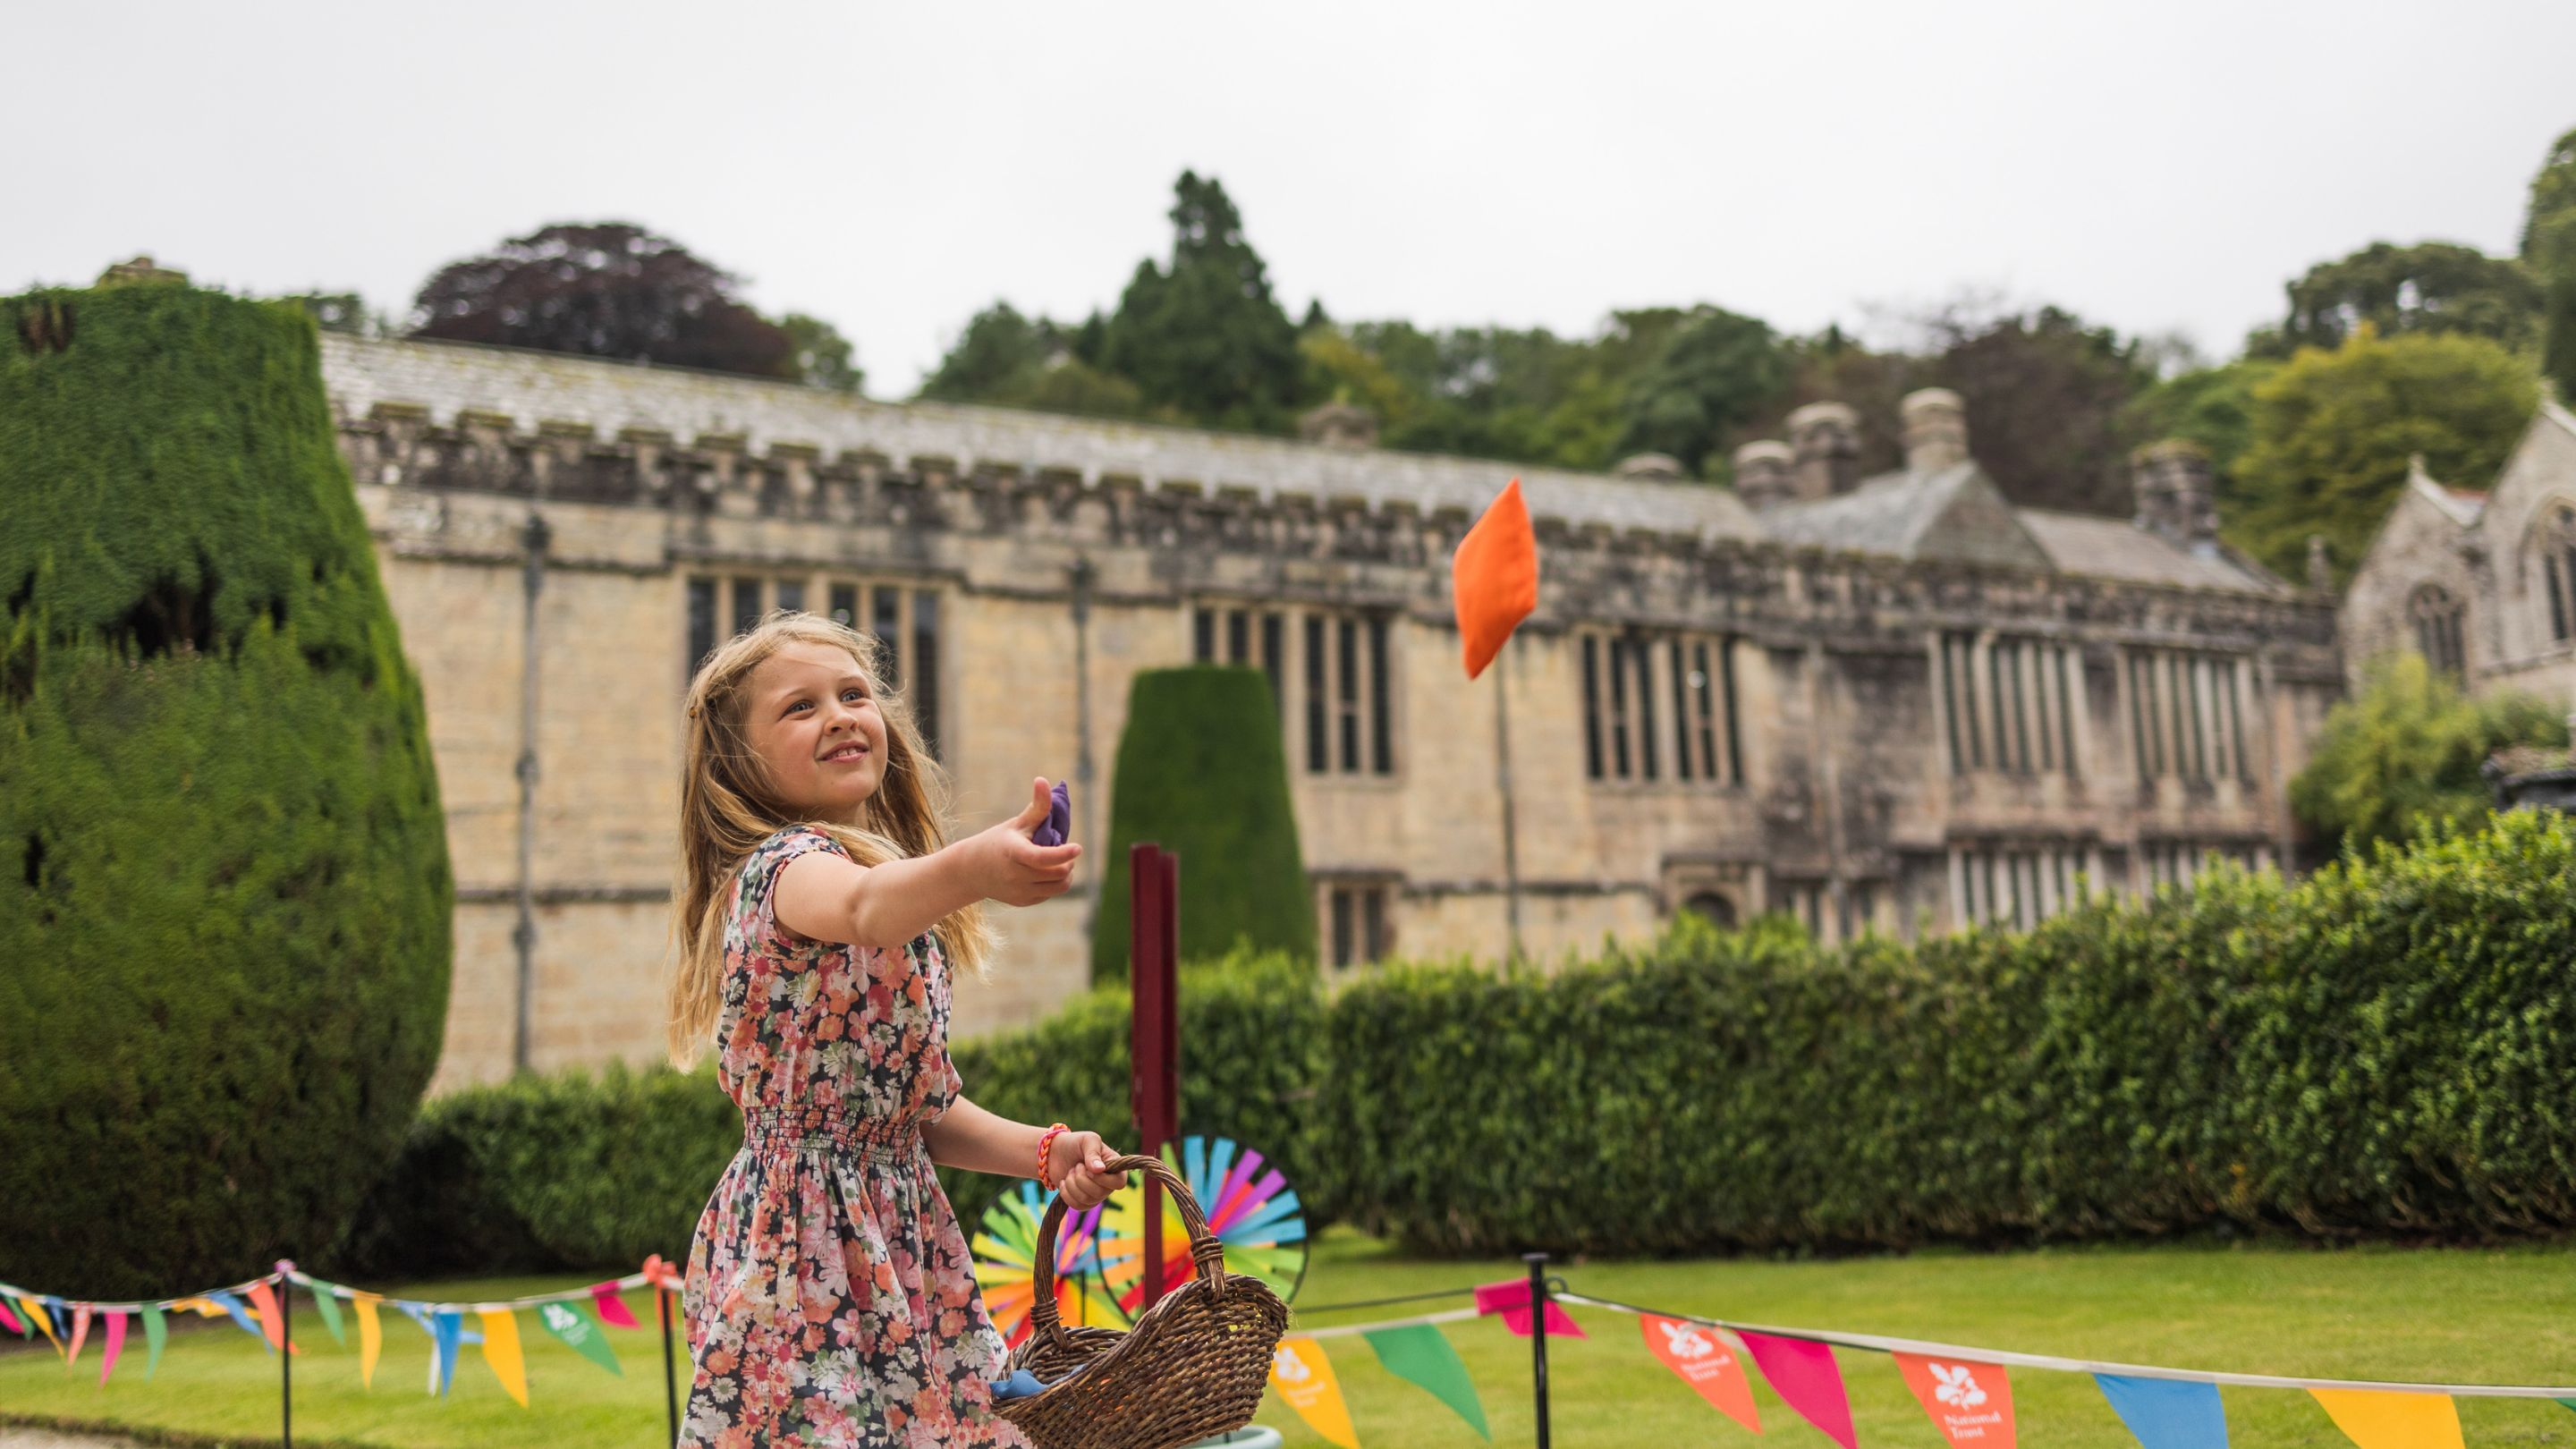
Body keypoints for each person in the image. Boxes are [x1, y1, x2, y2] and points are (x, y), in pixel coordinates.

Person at [664, 612, 1120, 1446]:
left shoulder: (884, 890)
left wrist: (1043, 1153)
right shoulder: (785, 871)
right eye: (798, 708)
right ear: (742, 763)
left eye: (853, 694)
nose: (839, 714)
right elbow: (865, 909)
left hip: (906, 1250)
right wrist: (979, 866)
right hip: (802, 1254)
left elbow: (915, 1113)